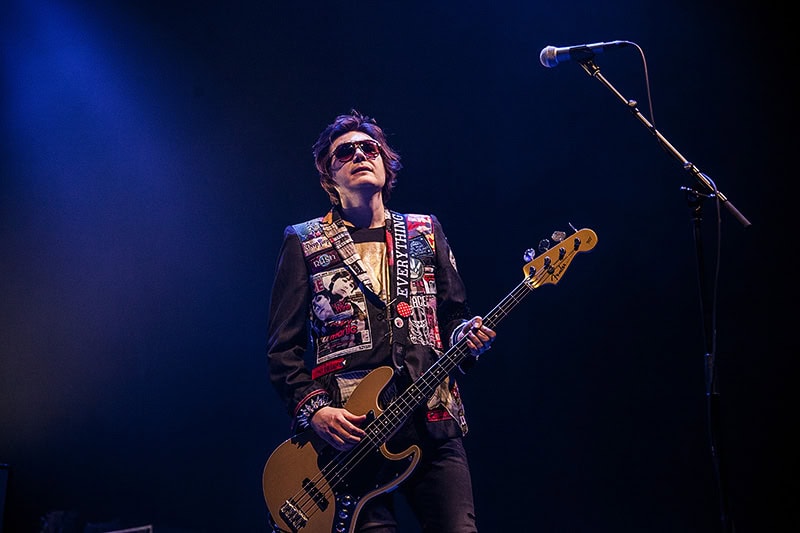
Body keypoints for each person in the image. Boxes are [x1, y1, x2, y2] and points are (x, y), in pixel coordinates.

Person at [266, 109, 496, 532]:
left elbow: (454, 315)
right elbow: (283, 350)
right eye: (344, 152)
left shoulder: (426, 230)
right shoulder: (304, 240)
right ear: (328, 178)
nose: (359, 155)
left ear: (385, 163)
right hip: (351, 438)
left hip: (432, 420)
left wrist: (466, 335)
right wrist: (316, 411)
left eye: (369, 148)